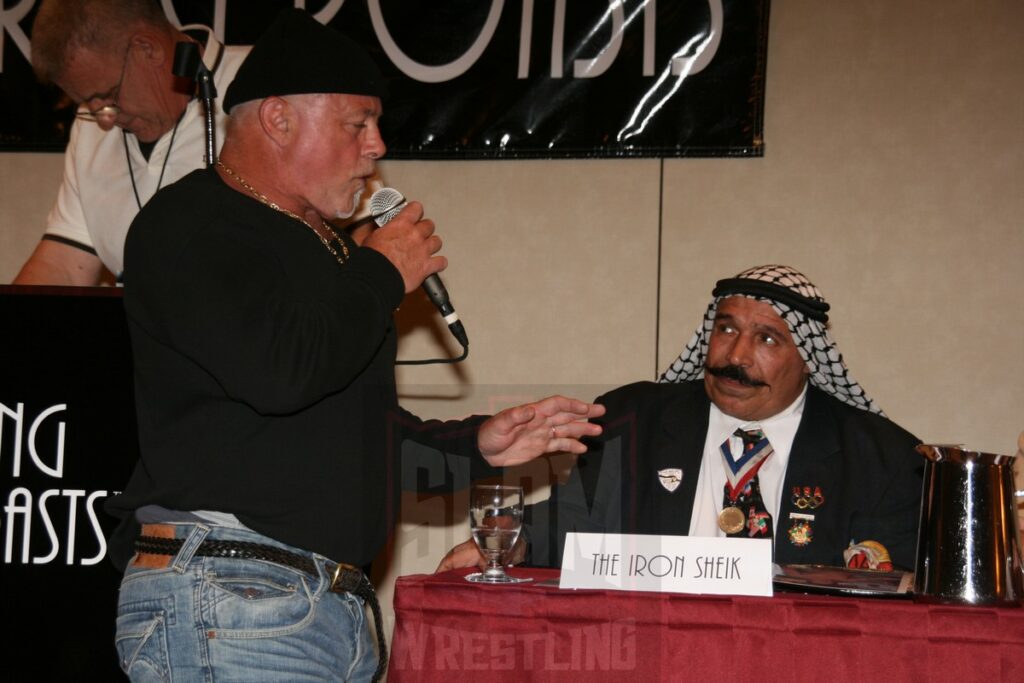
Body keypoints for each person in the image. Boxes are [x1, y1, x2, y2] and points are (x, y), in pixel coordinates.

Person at [105, 10, 603, 682]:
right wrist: (381, 272)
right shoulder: (190, 224)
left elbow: (351, 435)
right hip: (232, 597)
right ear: (278, 119)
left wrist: (476, 445)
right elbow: (282, 372)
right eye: (356, 123)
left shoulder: (333, 251)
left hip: (325, 609)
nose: (376, 146)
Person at [439, 265, 923, 573]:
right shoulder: (636, 419)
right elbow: (579, 521)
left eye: (767, 339)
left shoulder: (881, 457)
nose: (735, 355)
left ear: (810, 358)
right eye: (726, 328)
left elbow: (893, 579)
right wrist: (514, 539)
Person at [12, 0, 248, 286]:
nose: (104, 120)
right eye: (88, 103)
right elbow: (63, 265)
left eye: (109, 94)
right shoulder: (89, 127)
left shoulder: (261, 89)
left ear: (147, 49)